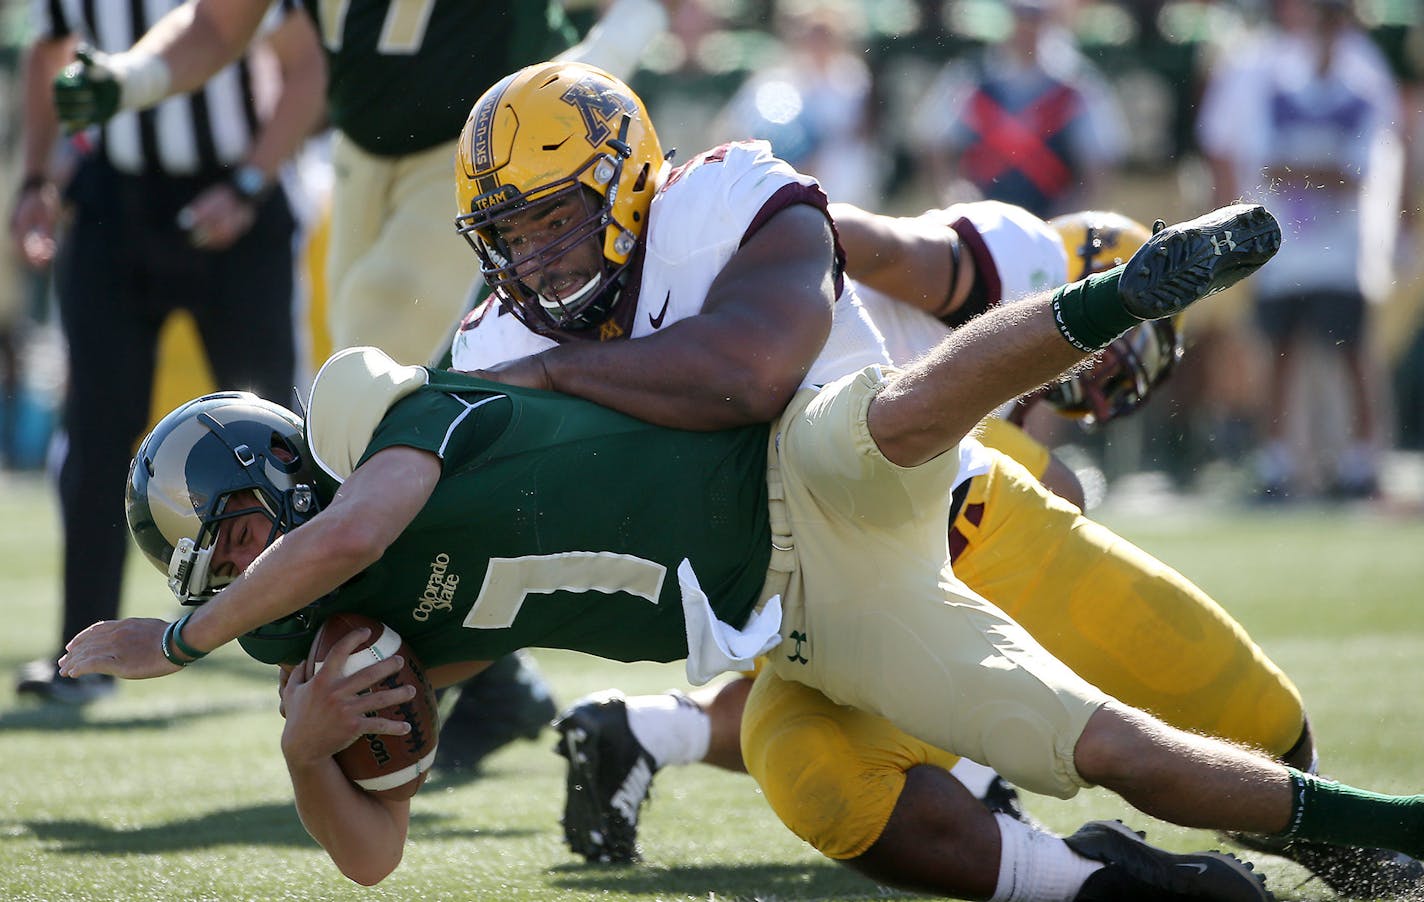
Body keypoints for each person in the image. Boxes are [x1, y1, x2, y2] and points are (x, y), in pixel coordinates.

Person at [62, 64, 1424, 902]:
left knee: (1259, 715)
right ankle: (1129, 884)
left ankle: (1116, 294)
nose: (533, 262)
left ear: (627, 181)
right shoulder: (484, 345)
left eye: (553, 219)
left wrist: (1076, 290)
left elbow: (796, 342)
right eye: (508, 235)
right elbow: (477, 597)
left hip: (929, 494)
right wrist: (342, 720)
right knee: (828, 786)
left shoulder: (720, 203)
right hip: (776, 605)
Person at [550, 207, 1424, 899]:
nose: (1098, 390)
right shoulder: (1012, 255)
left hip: (896, 556)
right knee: (825, 774)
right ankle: (1092, 880)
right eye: (1117, 356)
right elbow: (842, 233)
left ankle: (1334, 842)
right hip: (848, 546)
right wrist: (759, 275)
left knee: (1258, 721)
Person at [49, 0, 672, 767]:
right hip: (362, 146)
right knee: (351, 410)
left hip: (478, 151)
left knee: (362, 391)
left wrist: (620, 38)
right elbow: (220, 25)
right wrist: (131, 78)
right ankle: (492, 671)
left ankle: (427, 639)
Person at [9, 2, 324, 705]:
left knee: (289, 439)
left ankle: (327, 632)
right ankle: (84, 653)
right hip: (114, 204)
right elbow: (45, 55)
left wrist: (251, 180)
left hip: (236, 193)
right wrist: (35, 178)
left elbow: (304, 67)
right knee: (94, 429)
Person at [1196, 0, 1403, 500]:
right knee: (1281, 355)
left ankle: (1359, 463)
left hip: (1341, 251)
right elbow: (1267, 165)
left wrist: (1306, 171)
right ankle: (1278, 465)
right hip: (1285, 248)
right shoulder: (1277, 86)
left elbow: (1356, 174)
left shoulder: (1362, 86)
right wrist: (1319, 172)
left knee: (1352, 356)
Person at [908, 0, 1127, 218]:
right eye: (1020, 16)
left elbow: (1099, 162)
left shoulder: (1077, 83)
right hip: (982, 223)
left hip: (1050, 221)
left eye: (1035, 17)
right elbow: (934, 143)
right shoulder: (971, 75)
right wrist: (954, 197)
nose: (1027, 26)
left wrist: (1070, 213)